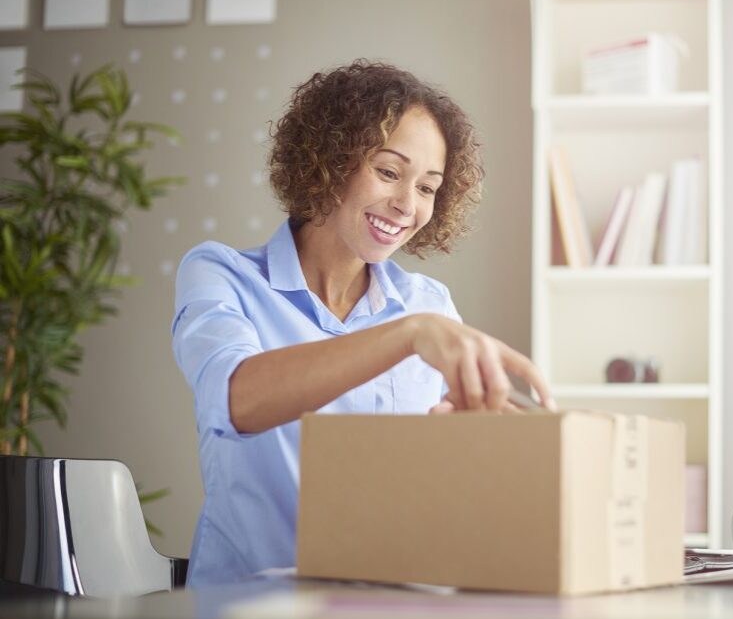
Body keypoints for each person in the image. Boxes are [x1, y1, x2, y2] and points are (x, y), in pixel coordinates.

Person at [171, 60, 554, 586]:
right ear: (328, 160)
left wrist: (480, 441)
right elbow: (238, 399)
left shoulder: (429, 302)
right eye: (389, 172)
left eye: (428, 187)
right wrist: (405, 337)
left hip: (395, 609)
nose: (406, 205)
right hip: (251, 615)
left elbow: (459, 484)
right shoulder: (221, 274)